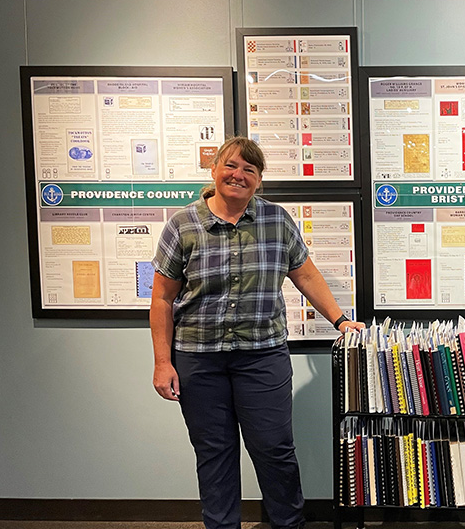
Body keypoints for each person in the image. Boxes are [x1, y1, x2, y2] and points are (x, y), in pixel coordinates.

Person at [150, 136, 364, 529]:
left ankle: (288, 524)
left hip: (262, 356)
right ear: (214, 170)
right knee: (214, 453)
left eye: (249, 169)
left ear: (259, 180)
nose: (239, 175)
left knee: (274, 449)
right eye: (231, 166)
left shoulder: (276, 220)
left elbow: (306, 275)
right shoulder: (183, 225)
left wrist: (340, 320)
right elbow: (162, 299)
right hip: (199, 360)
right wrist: (163, 362)